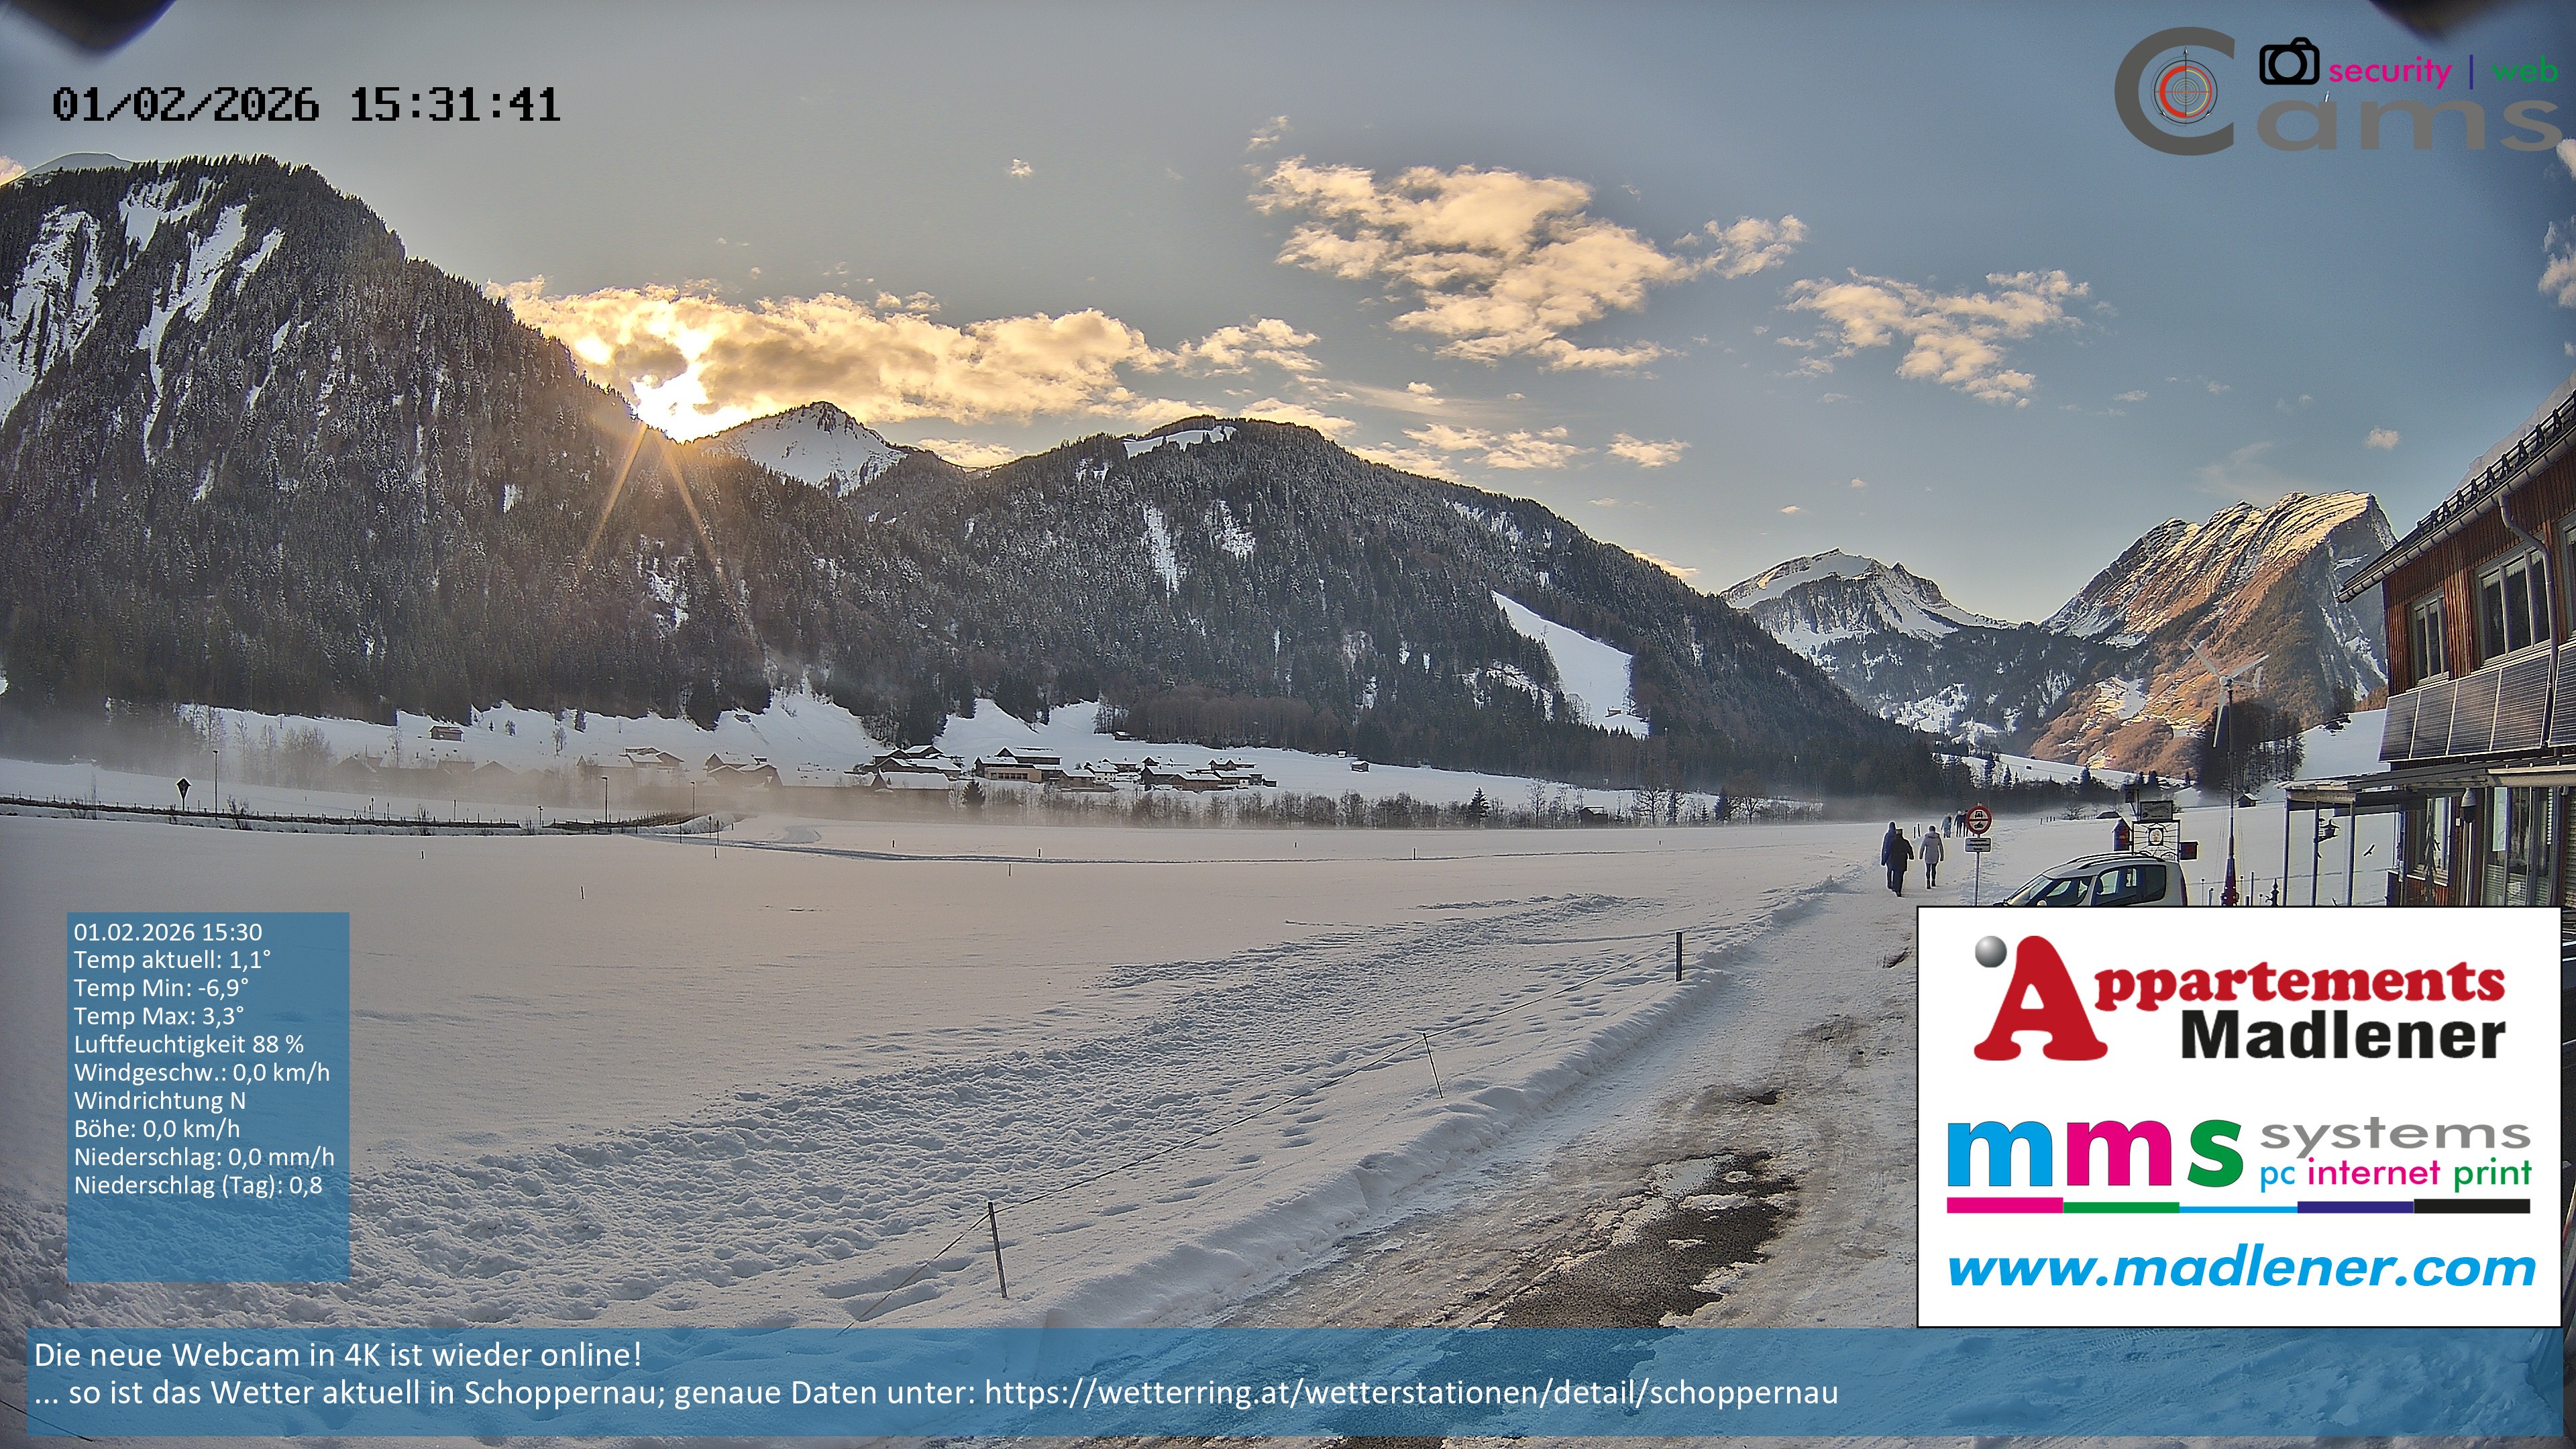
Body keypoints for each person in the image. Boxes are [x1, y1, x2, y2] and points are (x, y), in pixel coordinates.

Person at [1880, 821, 1913, 896]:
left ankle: (1890, 884)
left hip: (1892, 857)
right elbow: (1909, 849)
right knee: (1899, 874)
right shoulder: (1904, 841)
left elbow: (1886, 847)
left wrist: (1884, 859)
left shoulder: (1888, 836)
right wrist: (1911, 856)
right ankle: (1898, 888)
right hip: (1902, 859)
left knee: (1890, 871)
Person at [1919, 823, 1945, 888]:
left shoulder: (1927, 838)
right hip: (1936, 855)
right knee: (1934, 869)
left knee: (1928, 869)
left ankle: (1928, 882)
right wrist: (1942, 856)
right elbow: (1941, 847)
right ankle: (1933, 881)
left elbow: (1922, 847)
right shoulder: (1938, 838)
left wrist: (1921, 855)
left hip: (1928, 855)